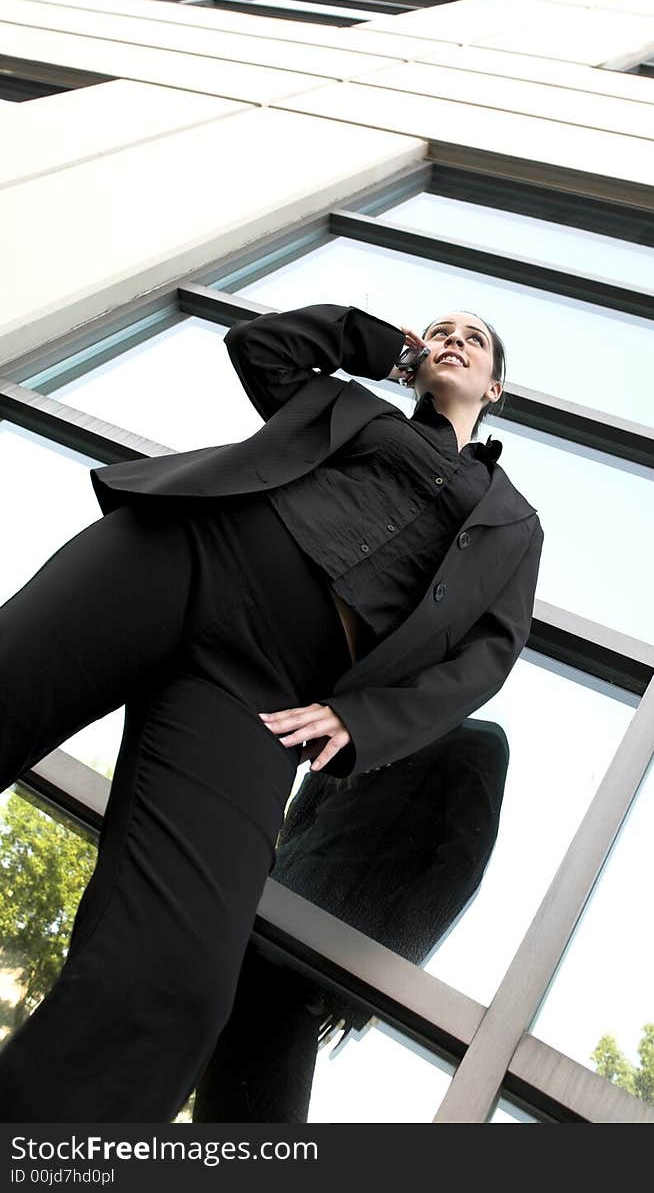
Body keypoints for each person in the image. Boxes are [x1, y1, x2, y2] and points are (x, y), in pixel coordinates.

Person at [0, 301, 543, 1120]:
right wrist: (386, 350)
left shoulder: (514, 524)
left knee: (178, 982)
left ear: (495, 386)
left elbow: (485, 659)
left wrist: (365, 724)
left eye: (473, 339)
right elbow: (261, 346)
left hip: (265, 687)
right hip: (177, 557)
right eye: (440, 331)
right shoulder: (350, 404)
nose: (453, 341)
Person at [190, 716, 510, 1123]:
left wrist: (370, 981)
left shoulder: (477, 741)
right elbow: (300, 816)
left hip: (319, 961)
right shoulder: (364, 720)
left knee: (249, 1101)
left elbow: (456, 872)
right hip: (261, 923)